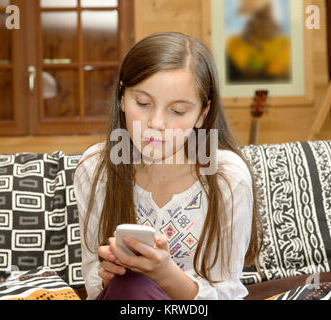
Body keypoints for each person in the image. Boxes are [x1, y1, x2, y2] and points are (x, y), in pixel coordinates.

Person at [73, 32, 262, 300]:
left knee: (136, 286)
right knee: (130, 286)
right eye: (143, 103)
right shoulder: (96, 169)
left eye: (177, 111)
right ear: (121, 98)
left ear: (203, 113)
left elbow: (226, 293)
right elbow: (94, 285)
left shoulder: (226, 176)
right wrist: (106, 274)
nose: (156, 124)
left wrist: (164, 274)